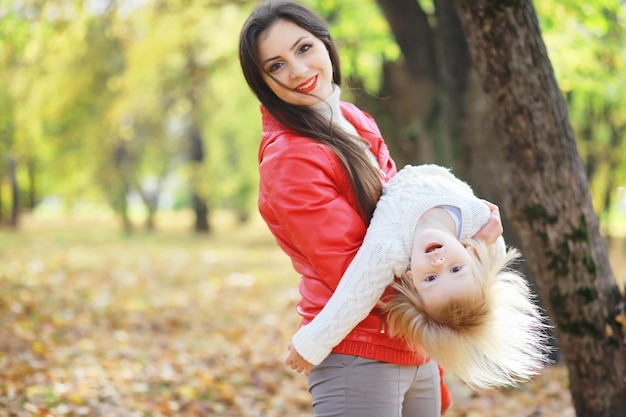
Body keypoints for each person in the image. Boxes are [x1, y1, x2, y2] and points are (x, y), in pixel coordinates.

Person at [239, 1, 501, 415]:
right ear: (263, 82)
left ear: (326, 44)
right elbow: (351, 268)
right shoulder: (291, 158)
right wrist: (459, 257)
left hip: (411, 340)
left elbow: (405, 218)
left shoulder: (355, 121)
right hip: (358, 349)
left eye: (303, 48)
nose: (297, 70)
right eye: (275, 66)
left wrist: (465, 233)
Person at [285, 164, 550, 389]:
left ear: (411, 279)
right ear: (471, 255)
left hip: (388, 178)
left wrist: (310, 346)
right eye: (456, 270)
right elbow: (494, 259)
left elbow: (353, 298)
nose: (439, 263)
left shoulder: (390, 250)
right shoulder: (479, 221)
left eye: (431, 279)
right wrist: (485, 241)